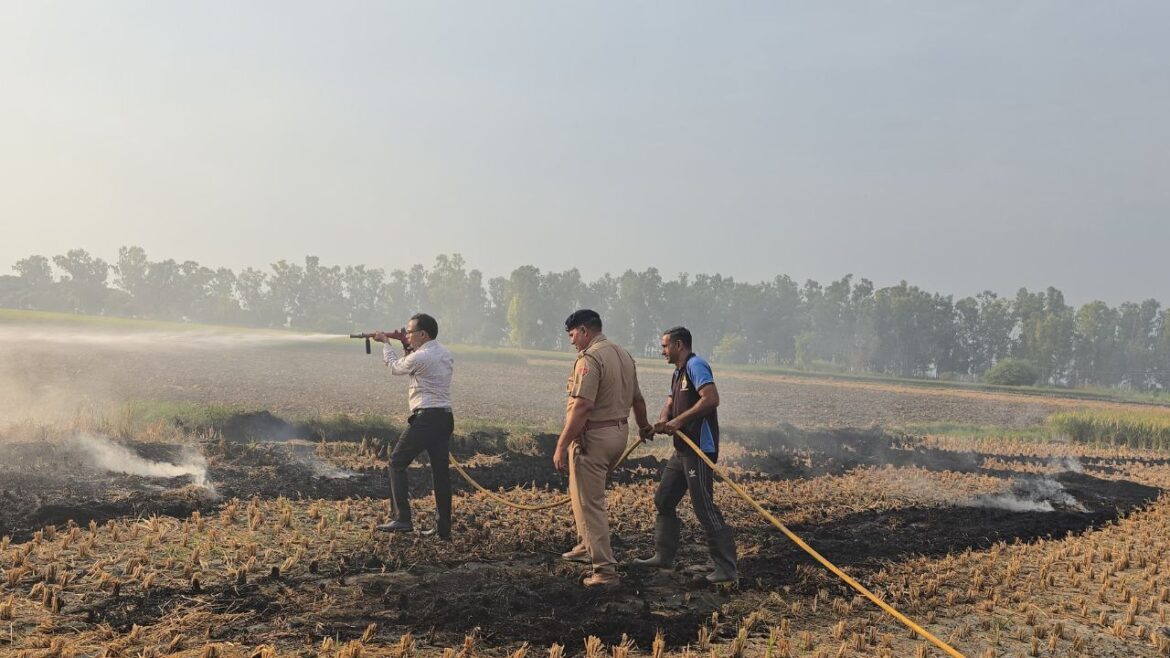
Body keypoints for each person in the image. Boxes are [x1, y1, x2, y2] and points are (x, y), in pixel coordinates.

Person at [554, 309, 653, 587]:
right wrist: (643, 427)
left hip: (594, 438)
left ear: (585, 331)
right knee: (579, 492)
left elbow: (583, 405)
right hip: (618, 434)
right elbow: (638, 399)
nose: (572, 341)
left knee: (590, 503)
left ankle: (605, 570)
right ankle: (587, 545)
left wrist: (561, 445)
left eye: (573, 335)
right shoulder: (624, 355)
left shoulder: (590, 358)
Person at [632, 326, 738, 585]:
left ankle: (726, 570)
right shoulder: (678, 373)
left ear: (679, 345)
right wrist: (661, 421)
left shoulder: (696, 365)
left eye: (665, 346)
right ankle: (663, 556)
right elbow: (670, 403)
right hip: (682, 450)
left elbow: (711, 399)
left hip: (698, 448)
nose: (662, 351)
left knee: (703, 506)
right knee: (664, 499)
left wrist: (679, 421)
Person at [372, 313, 455, 540]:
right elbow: (416, 366)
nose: (407, 335)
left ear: (422, 334)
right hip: (445, 417)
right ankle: (443, 528)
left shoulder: (422, 356)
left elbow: (396, 367)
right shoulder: (444, 353)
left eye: (410, 332)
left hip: (426, 418)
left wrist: (386, 344)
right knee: (441, 474)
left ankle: (402, 519)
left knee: (396, 462)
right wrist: (407, 347)